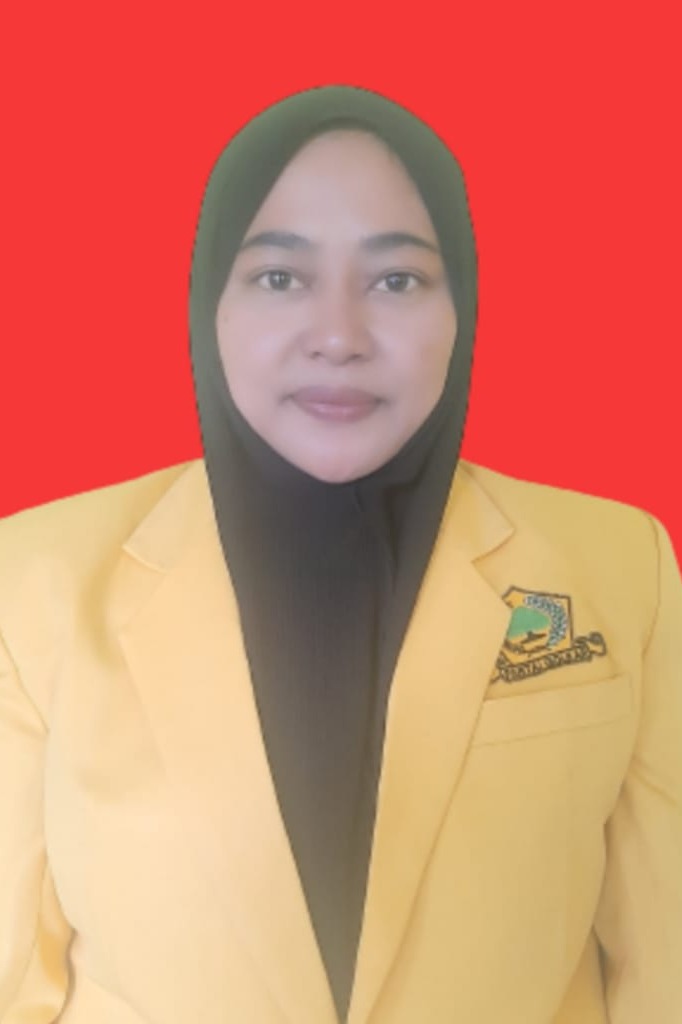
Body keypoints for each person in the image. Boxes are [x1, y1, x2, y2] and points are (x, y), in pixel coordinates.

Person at [0, 84, 680, 1024]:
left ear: (462, 306)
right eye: (280, 277)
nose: (338, 338)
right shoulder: (33, 579)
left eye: (396, 280)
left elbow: (665, 960)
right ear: (209, 302)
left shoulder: (619, 564)